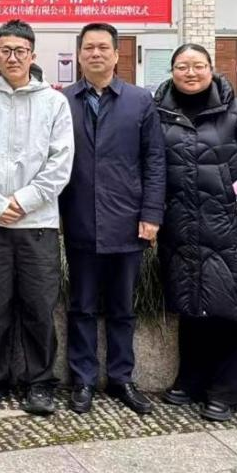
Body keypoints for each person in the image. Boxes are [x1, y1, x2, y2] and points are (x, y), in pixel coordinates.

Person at [154, 42, 237, 422]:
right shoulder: (159, 112)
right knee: (190, 305)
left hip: (228, 224)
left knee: (232, 307)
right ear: (172, 71)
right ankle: (191, 380)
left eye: (198, 66)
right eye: (182, 66)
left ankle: (226, 390)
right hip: (180, 225)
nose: (190, 73)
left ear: (211, 69)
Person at [0, 19, 74, 416]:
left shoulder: (54, 103)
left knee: (39, 306)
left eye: (20, 51)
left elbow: (61, 163)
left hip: (38, 224)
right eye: (6, 51)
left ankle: (40, 382)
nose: (13, 57)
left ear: (32, 55)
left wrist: (23, 202)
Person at [58, 23, 165, 416]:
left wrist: (151, 214)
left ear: (117, 54)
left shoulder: (139, 101)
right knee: (82, 306)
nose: (96, 54)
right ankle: (82, 379)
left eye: (103, 47)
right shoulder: (62, 101)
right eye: (89, 48)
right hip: (79, 219)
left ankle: (122, 378)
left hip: (126, 221)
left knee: (122, 308)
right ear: (79, 55)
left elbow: (155, 161)